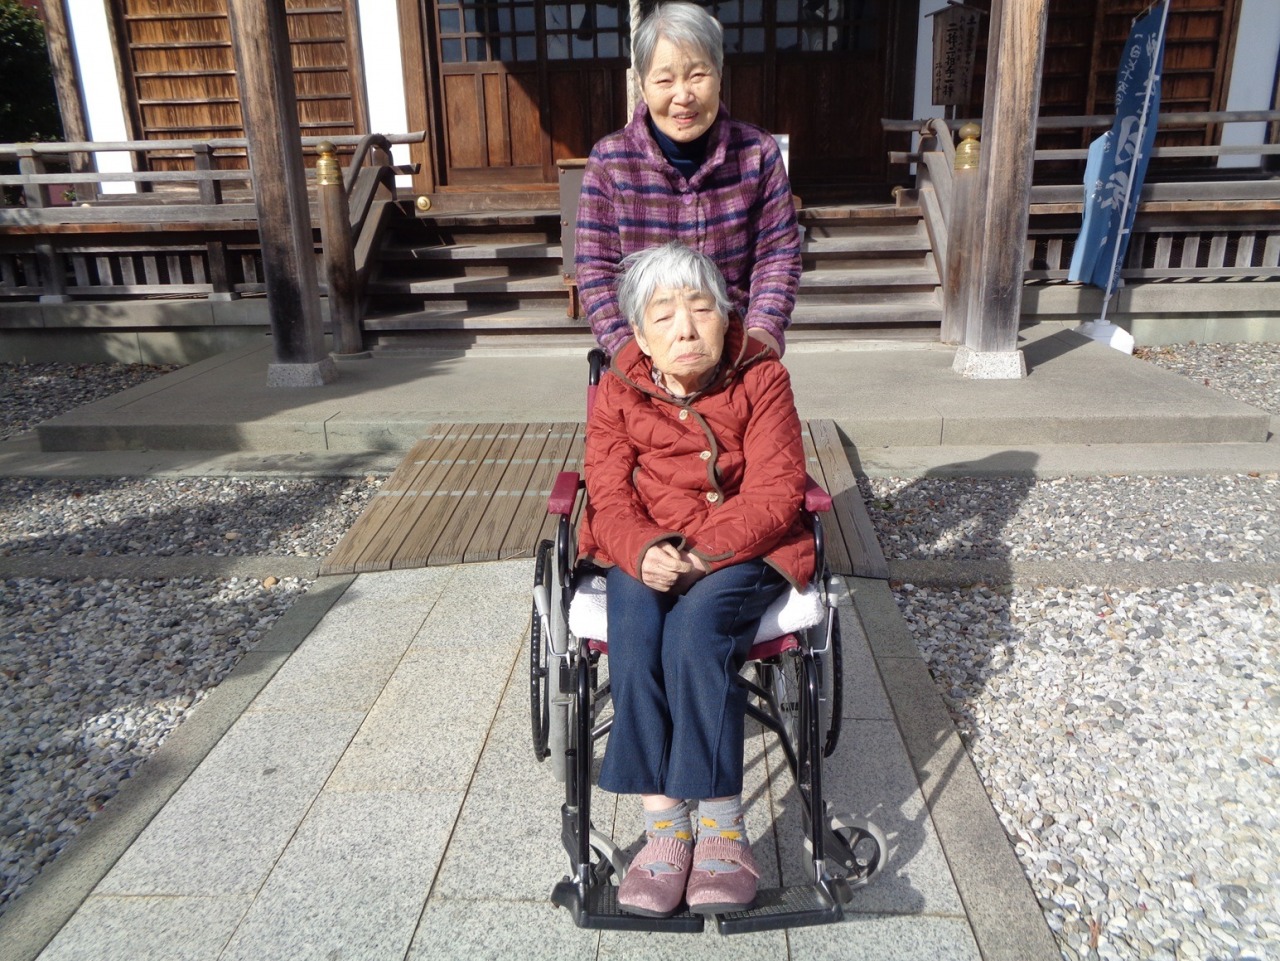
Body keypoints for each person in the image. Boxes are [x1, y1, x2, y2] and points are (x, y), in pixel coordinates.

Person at [577, 242, 814, 918]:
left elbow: (777, 493)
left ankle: (721, 832)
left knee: (694, 630)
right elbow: (607, 490)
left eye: (701, 308)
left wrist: (703, 553)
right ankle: (665, 832)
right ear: (641, 338)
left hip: (742, 549)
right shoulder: (619, 387)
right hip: (645, 546)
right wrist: (644, 548)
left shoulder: (761, 378)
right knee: (635, 624)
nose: (686, 327)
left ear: (725, 314)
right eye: (665, 316)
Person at [575, 1, 802, 360]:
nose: (683, 96)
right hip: (644, 359)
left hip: (736, 354)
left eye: (698, 75)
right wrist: (628, 350)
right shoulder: (609, 162)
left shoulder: (757, 153)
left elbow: (778, 254)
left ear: (719, 73)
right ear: (642, 84)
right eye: (665, 80)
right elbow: (595, 268)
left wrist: (761, 333)